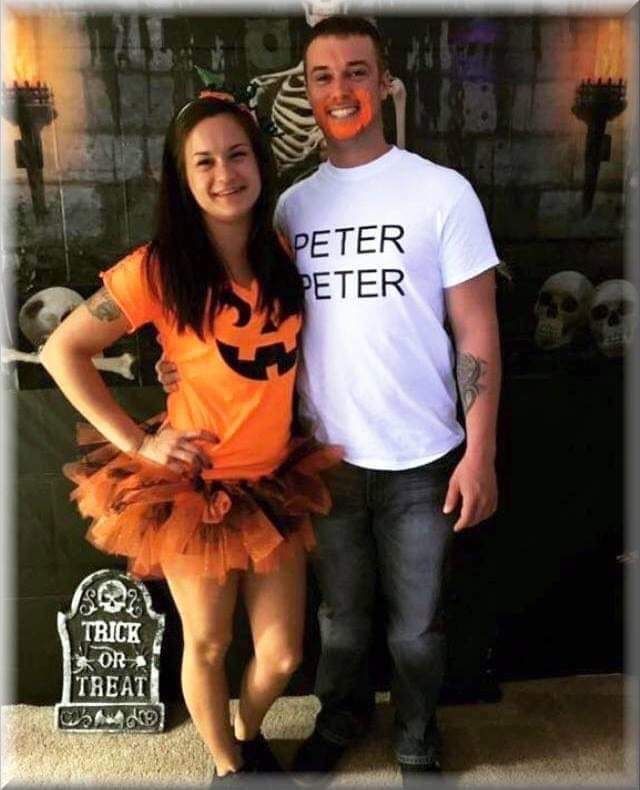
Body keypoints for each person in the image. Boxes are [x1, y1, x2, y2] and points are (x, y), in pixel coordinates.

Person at [157, 15, 502, 783]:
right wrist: (173, 366)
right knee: (337, 626)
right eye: (322, 76)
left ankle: (415, 735)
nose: (340, 89)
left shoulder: (441, 192)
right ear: (305, 92)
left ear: (383, 82)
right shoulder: (287, 210)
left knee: (416, 629)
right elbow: (231, 317)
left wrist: (480, 452)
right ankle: (340, 717)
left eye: (356, 71)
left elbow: (477, 330)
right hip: (318, 462)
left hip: (424, 458)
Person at [41, 91, 340, 783]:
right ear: (181, 176)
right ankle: (229, 768)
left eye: (236, 155)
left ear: (259, 163)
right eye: (203, 161)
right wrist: (137, 444)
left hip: (273, 483)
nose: (223, 173)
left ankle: (245, 728)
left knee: (283, 655)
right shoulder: (156, 268)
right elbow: (63, 350)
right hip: (192, 488)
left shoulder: (281, 253)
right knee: (207, 642)